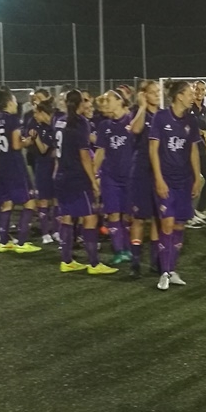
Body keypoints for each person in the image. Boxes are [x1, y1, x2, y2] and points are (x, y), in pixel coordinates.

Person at [54, 90, 118, 275]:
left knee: (66, 217)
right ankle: (94, 264)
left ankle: (66, 261)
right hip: (77, 177)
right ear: (80, 103)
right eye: (86, 101)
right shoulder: (80, 122)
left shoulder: (59, 121)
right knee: (90, 217)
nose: (88, 104)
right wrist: (93, 181)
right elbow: (84, 155)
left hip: (61, 176)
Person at [149, 80, 202, 291]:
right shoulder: (161, 117)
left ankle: (171, 270)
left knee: (179, 225)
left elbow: (193, 151)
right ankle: (164, 272)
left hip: (184, 181)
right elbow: (153, 150)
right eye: (190, 93)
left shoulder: (191, 120)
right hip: (166, 180)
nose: (193, 97)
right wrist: (159, 179)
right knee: (167, 223)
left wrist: (197, 178)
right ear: (179, 95)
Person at [0, 87, 40, 254]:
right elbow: (17, 145)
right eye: (14, 101)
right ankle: (22, 242)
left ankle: (3, 242)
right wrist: (30, 140)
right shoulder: (13, 120)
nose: (16, 104)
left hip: (2, 165)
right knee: (30, 202)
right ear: (9, 103)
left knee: (7, 203)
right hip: (14, 165)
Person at [94, 90, 134, 264]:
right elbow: (100, 151)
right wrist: (94, 174)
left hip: (130, 177)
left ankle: (129, 249)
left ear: (119, 101)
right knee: (113, 214)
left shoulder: (133, 122)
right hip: (110, 177)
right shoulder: (105, 125)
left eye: (108, 99)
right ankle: (119, 251)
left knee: (128, 216)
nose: (105, 103)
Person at [128, 80, 161, 277]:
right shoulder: (138, 113)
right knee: (139, 218)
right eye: (152, 92)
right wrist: (141, 107)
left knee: (157, 218)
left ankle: (155, 261)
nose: (157, 94)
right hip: (140, 172)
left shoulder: (163, 115)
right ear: (144, 95)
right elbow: (135, 129)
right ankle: (135, 262)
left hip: (159, 173)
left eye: (158, 91)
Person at [186, 80, 206, 228]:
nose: (200, 92)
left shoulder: (204, 110)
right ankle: (187, 215)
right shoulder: (188, 108)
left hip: (202, 151)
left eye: (203, 89)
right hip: (190, 151)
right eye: (197, 89)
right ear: (193, 90)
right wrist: (196, 130)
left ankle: (199, 209)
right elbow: (184, 127)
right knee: (193, 183)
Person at [27, 98, 57, 244]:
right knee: (43, 200)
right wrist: (36, 138)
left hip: (55, 167)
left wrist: (37, 138)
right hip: (42, 166)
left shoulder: (56, 126)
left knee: (57, 199)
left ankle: (56, 231)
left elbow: (50, 149)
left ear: (43, 112)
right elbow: (44, 150)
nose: (34, 116)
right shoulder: (39, 128)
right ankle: (45, 233)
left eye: (36, 113)